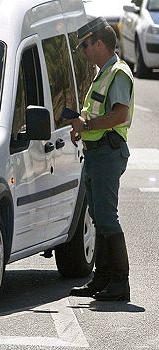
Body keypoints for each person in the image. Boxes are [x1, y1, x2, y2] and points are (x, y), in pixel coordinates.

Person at [68, 17, 134, 302]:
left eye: (85, 45)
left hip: (108, 152)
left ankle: (120, 282)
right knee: (98, 216)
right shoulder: (103, 72)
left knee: (107, 217)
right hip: (97, 153)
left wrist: (88, 127)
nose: (83, 51)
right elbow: (98, 113)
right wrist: (80, 126)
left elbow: (120, 115)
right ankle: (103, 278)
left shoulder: (117, 72)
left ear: (99, 43)